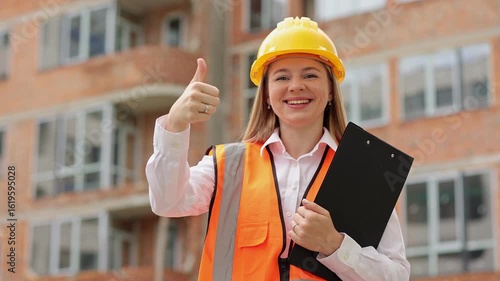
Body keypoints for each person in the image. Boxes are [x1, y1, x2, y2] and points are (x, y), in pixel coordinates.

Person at [146, 17, 410, 281]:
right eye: (282, 77)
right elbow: (167, 202)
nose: (295, 85)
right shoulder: (229, 165)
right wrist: (175, 125)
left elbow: (397, 276)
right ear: (266, 95)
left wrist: (335, 245)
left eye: (310, 74)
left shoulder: (363, 173)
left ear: (331, 91)